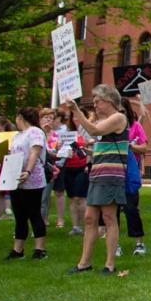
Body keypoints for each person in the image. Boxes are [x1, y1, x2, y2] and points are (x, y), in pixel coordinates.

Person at [63, 85, 129, 274]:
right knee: (90, 218)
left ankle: (109, 263)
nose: (95, 105)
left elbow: (92, 130)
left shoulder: (118, 117)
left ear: (109, 100)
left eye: (97, 101)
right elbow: (104, 144)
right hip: (98, 173)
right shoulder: (107, 120)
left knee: (108, 217)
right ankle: (84, 263)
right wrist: (86, 150)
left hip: (111, 175)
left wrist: (76, 110)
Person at [6, 106, 49, 261]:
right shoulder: (17, 135)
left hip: (32, 179)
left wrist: (28, 171)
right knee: (19, 215)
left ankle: (40, 249)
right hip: (15, 179)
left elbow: (35, 151)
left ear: (20, 117)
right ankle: (18, 249)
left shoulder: (35, 132)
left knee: (34, 213)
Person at [121, 99, 148, 255]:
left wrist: (131, 146)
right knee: (113, 211)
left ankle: (139, 242)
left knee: (131, 208)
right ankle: (115, 243)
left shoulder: (135, 127)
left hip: (130, 172)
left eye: (123, 111)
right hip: (113, 171)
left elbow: (144, 147)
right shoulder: (108, 126)